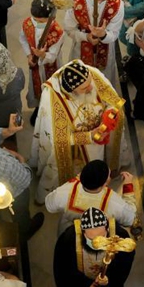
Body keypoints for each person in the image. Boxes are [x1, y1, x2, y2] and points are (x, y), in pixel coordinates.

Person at [30, 60, 127, 203]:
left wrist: (109, 114)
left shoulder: (90, 74)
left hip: (100, 138)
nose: (90, 88)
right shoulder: (54, 101)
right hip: (76, 151)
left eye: (90, 83)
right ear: (72, 91)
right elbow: (59, 139)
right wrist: (89, 136)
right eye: (84, 88)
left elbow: (114, 101)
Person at [53, 207, 135, 287]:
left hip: (107, 285)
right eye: (91, 239)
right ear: (82, 231)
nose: (97, 243)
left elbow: (123, 267)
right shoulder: (70, 238)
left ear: (106, 228)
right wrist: (86, 284)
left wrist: (107, 284)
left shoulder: (120, 237)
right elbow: (63, 266)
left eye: (101, 237)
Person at [46, 159, 137, 235]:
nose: (110, 177)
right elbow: (130, 218)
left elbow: (49, 205)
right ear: (104, 184)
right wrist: (128, 186)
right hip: (96, 236)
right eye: (109, 176)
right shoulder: (113, 203)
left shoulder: (65, 191)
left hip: (68, 231)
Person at [65, 0, 124, 85]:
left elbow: (114, 33)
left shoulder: (117, 5)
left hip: (105, 49)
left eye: (103, 0)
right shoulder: (75, 3)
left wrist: (103, 35)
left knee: (102, 82)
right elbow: (69, 29)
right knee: (80, 81)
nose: (98, 3)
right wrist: (86, 37)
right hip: (81, 47)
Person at [19, 0, 65, 116]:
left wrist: (43, 55)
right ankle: (38, 107)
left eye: (41, 22)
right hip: (35, 65)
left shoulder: (57, 31)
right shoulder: (27, 23)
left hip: (50, 65)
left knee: (51, 90)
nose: (37, 23)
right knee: (36, 89)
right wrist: (29, 55)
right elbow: (23, 39)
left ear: (50, 17)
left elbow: (53, 55)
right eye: (35, 20)